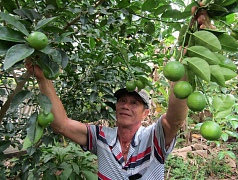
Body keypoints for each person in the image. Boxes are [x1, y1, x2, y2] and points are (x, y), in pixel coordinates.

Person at [25, 6, 213, 180]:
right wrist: (43, 79)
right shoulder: (101, 138)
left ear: (145, 113)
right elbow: (62, 125)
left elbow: (174, 119)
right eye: (122, 100)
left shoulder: (153, 138)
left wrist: (188, 52)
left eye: (134, 103)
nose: (125, 105)